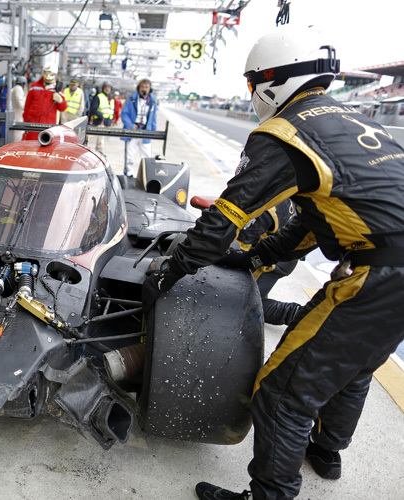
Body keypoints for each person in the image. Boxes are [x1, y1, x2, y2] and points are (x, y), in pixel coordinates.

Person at [139, 26, 404, 500]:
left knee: (282, 391)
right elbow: (315, 219)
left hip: (380, 274)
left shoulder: (287, 131)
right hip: (388, 269)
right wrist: (258, 256)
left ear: (269, 82)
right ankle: (325, 450)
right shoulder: (352, 119)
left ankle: (269, 495)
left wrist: (174, 269)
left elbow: (226, 216)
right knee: (353, 363)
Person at [236, 198, 302, 326]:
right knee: (253, 298)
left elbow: (240, 246)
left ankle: (299, 314)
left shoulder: (267, 204)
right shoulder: (284, 191)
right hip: (284, 255)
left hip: (271, 261)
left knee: (244, 305)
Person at [120, 79, 157, 177]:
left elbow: (154, 117)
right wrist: (130, 125)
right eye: (142, 87)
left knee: (146, 156)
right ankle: (128, 174)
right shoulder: (131, 99)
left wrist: (153, 131)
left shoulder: (153, 101)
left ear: (150, 89)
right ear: (138, 88)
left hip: (146, 132)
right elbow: (124, 114)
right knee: (130, 155)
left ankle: (146, 175)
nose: (144, 89)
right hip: (132, 131)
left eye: (146, 87)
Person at [22, 64, 66, 141]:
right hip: (32, 124)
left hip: (48, 125)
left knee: (45, 149)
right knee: (30, 146)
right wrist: (26, 122)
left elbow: (63, 108)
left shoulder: (58, 89)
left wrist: (60, 100)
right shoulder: (34, 86)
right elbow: (27, 105)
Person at [88, 82, 113, 153]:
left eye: (109, 87)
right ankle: (98, 151)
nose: (107, 89)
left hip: (107, 122)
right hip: (100, 121)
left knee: (102, 138)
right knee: (100, 138)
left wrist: (111, 121)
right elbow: (93, 109)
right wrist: (101, 116)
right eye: (106, 87)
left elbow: (111, 110)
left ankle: (99, 151)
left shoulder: (111, 98)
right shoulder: (99, 97)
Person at [10, 75, 27, 142]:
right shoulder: (18, 89)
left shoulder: (15, 88)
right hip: (18, 115)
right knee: (18, 135)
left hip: (16, 114)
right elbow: (20, 104)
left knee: (17, 134)